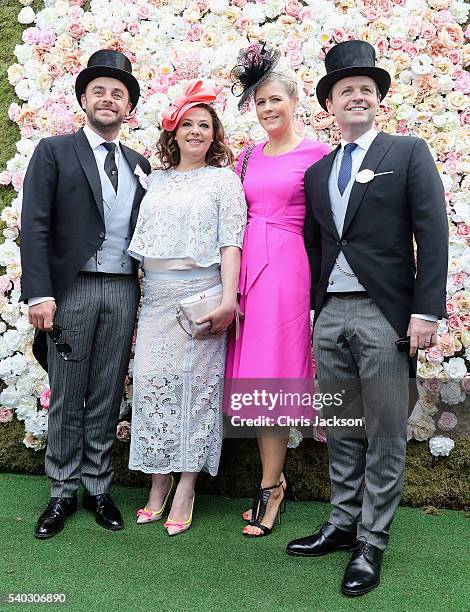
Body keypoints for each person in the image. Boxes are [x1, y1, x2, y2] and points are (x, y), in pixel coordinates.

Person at [287, 41, 448, 596]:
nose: (356, 96)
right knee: (342, 426)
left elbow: (432, 234)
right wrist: (309, 310)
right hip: (330, 315)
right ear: (329, 104)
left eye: (365, 90)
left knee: (383, 430)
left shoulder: (407, 152)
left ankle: (371, 541)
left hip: (386, 315)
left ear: (377, 100)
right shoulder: (319, 171)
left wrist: (425, 310)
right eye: (345, 90)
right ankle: (341, 521)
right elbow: (313, 246)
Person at [20, 49, 151, 539]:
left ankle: (98, 486)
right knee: (67, 393)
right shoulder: (54, 151)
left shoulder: (139, 163)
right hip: (70, 289)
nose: (108, 99)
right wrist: (39, 294)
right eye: (99, 90)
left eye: (118, 93)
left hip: (121, 289)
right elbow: (34, 226)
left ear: (128, 108)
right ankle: (61, 492)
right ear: (83, 99)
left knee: (105, 391)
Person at [128, 79, 246, 536]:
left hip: (203, 293)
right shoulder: (154, 180)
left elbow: (231, 242)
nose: (196, 131)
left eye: (205, 126)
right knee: (154, 387)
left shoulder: (223, 180)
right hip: (156, 297)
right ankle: (157, 483)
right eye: (188, 124)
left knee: (196, 390)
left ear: (214, 136)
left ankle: (186, 488)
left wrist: (229, 298)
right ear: (173, 131)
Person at [226, 43, 330, 537]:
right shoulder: (246, 157)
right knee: (251, 380)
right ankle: (273, 479)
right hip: (248, 269)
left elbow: (331, 224)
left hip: (288, 270)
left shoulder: (318, 155)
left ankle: (270, 490)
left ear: (294, 101)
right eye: (260, 102)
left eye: (276, 100)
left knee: (273, 379)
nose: (268, 109)